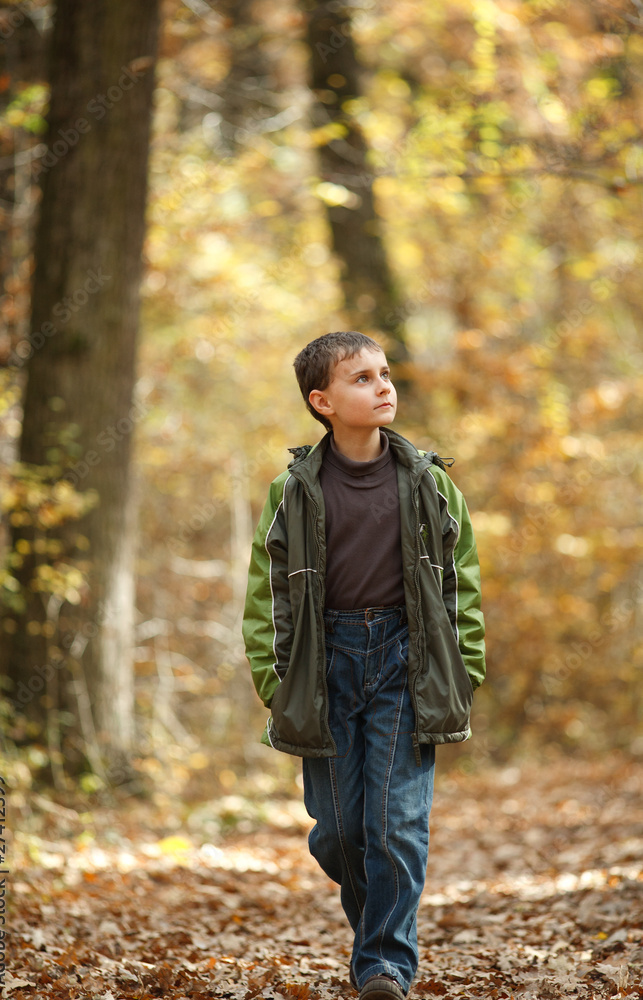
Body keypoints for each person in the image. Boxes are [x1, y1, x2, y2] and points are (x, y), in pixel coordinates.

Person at [242, 331, 486, 1000]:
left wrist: (462, 669)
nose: (382, 386)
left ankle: (383, 966)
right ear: (321, 402)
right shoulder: (290, 491)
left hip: (407, 662)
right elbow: (267, 595)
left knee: (395, 825)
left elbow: (460, 580)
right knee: (342, 834)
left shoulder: (430, 484)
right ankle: (375, 934)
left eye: (384, 374)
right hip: (323, 668)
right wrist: (275, 679)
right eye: (361, 379)